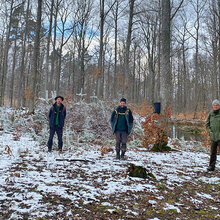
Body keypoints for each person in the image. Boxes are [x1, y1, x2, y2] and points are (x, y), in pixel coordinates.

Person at [206, 99, 220, 171]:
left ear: (219, 106)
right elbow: (207, 124)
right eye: (214, 105)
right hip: (213, 137)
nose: (215, 106)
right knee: (213, 153)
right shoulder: (210, 114)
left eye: (217, 105)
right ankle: (211, 167)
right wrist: (209, 131)